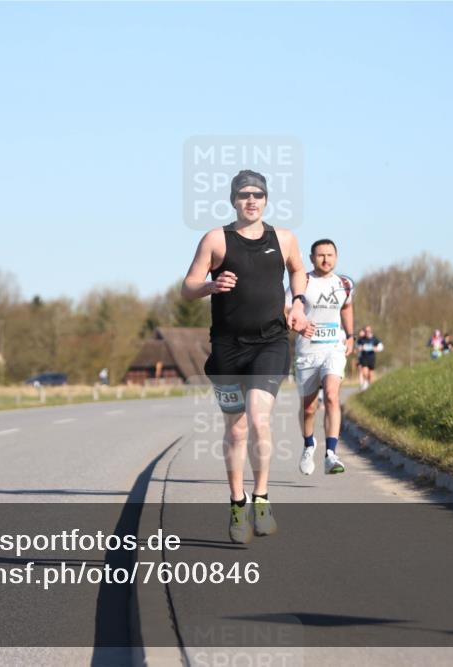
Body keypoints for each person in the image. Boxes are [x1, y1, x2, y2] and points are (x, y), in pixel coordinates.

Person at [181, 169, 310, 544]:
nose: (251, 200)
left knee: (258, 419)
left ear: (266, 199)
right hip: (227, 348)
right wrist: (210, 284)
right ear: (233, 200)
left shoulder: (283, 238)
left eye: (257, 194)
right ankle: (237, 502)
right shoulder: (215, 239)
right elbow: (187, 286)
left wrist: (298, 302)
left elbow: (298, 270)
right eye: (243, 195)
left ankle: (262, 499)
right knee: (236, 429)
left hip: (270, 342)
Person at [286, 239, 354, 476]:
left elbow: (346, 307)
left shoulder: (344, 284)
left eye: (330, 255)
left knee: (333, 396)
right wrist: (299, 326)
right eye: (321, 255)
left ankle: (331, 454)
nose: (326, 259)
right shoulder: (302, 282)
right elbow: (286, 310)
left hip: (333, 348)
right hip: (307, 351)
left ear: (336, 256)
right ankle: (308, 445)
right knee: (309, 408)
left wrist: (351, 335)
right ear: (312, 258)